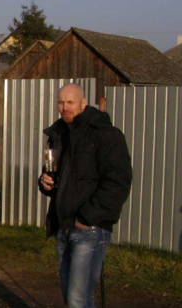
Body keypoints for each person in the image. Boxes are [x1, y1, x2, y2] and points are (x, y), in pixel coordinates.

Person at [39, 83, 132, 308]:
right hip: (63, 226)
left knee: (78, 299)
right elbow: (58, 177)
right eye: (61, 102)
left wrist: (87, 217)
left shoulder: (106, 134)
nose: (65, 107)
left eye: (70, 102)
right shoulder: (59, 134)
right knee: (72, 298)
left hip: (88, 229)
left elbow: (118, 181)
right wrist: (44, 182)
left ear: (83, 103)